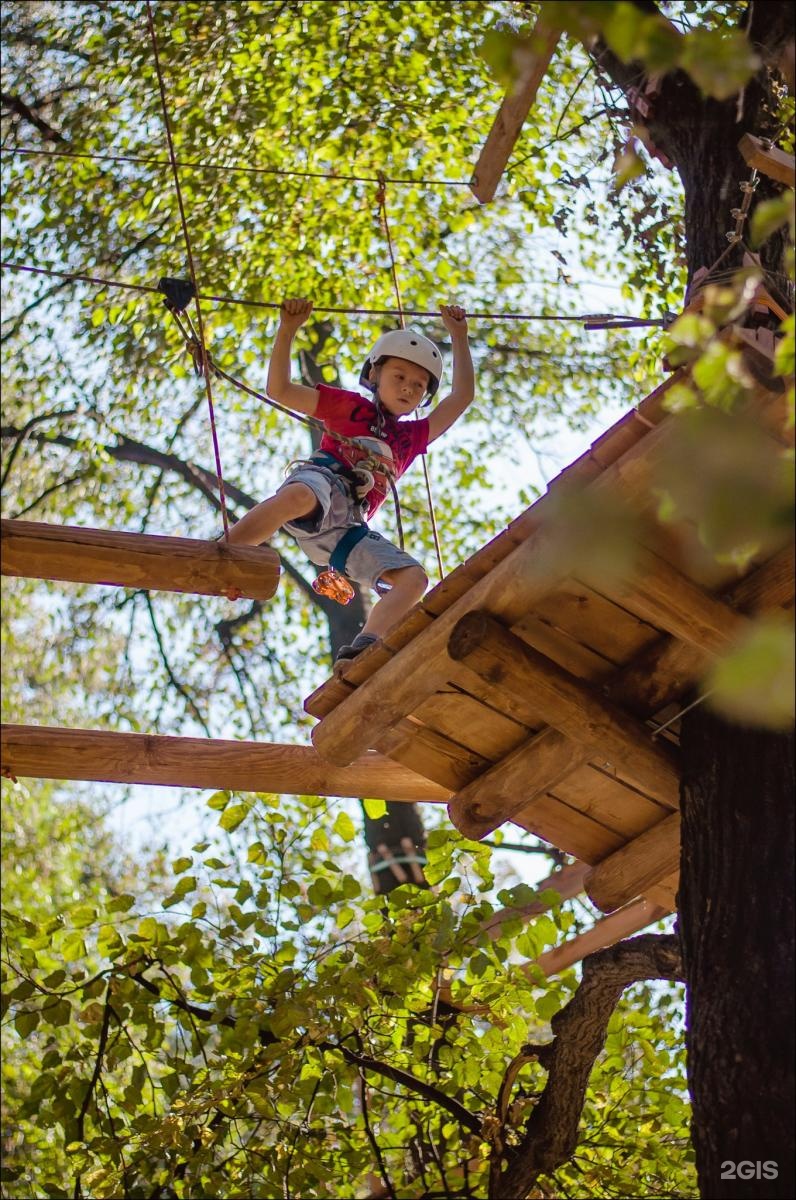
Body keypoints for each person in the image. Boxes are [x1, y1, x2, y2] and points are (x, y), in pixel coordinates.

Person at [227, 298, 474, 662]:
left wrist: (459, 336)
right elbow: (279, 391)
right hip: (322, 483)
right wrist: (287, 330)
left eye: (419, 386)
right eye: (399, 377)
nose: (408, 388)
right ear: (374, 375)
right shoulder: (349, 408)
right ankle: (224, 553)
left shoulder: (410, 438)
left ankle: (365, 646)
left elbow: (461, 397)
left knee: (414, 580)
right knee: (299, 497)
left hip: (347, 527)